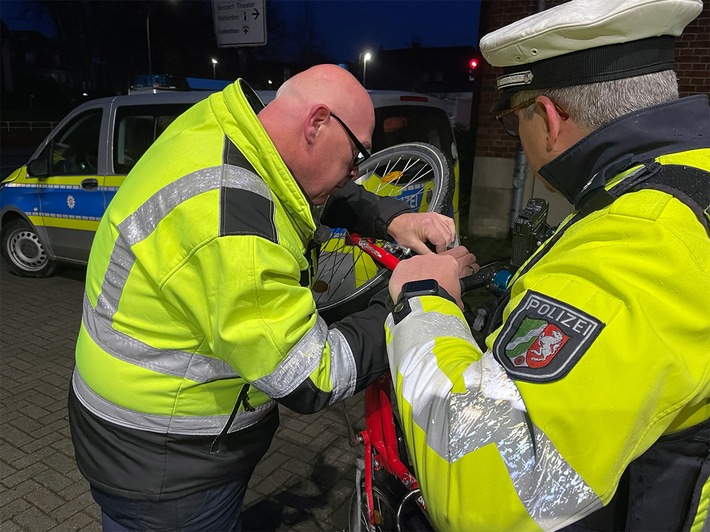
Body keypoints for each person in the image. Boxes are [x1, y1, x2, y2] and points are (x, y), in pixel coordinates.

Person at [67, 64, 470, 531]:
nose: (356, 171)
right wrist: (418, 297)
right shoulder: (237, 230)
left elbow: (299, 185)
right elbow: (313, 375)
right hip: (167, 463)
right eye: (356, 153)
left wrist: (391, 217)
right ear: (317, 123)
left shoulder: (224, 125)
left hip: (133, 434)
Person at [385, 0, 710, 530]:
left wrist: (426, 300)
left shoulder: (641, 240)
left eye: (516, 121)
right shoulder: (685, 180)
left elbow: (483, 488)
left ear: (549, 118)